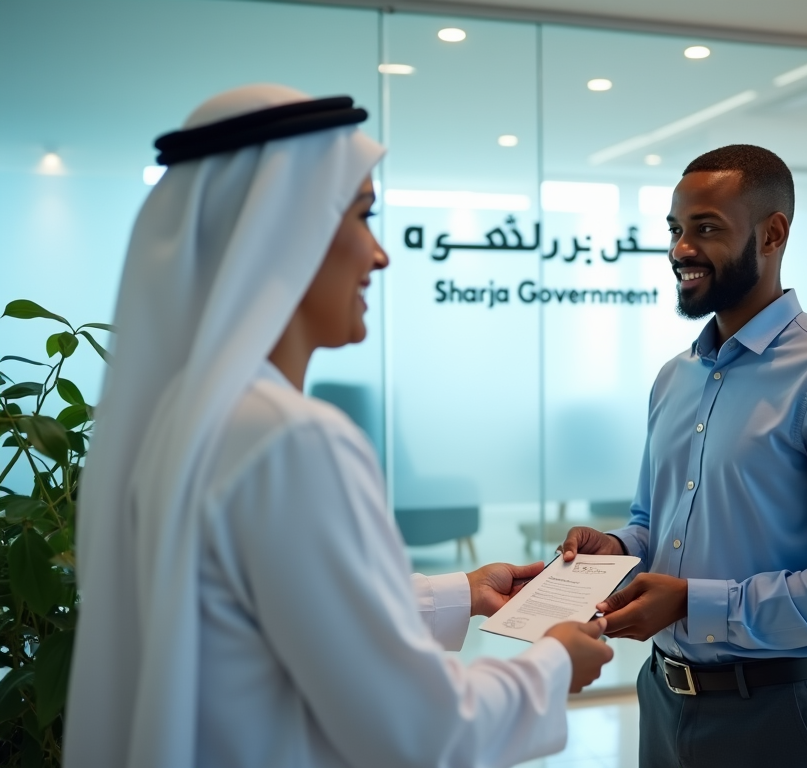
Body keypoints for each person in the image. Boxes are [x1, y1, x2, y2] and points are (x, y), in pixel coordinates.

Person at [64, 84, 612, 768]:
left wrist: (462, 593)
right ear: (284, 230)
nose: (379, 255)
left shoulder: (192, 419)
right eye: (362, 216)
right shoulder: (292, 440)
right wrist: (555, 662)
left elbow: (278, 619)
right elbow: (425, 733)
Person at [558, 145, 807, 768]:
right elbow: (652, 526)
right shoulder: (675, 377)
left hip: (774, 717)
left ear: (772, 234)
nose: (680, 249)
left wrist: (696, 601)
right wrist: (614, 548)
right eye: (675, 229)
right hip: (661, 700)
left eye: (706, 229)